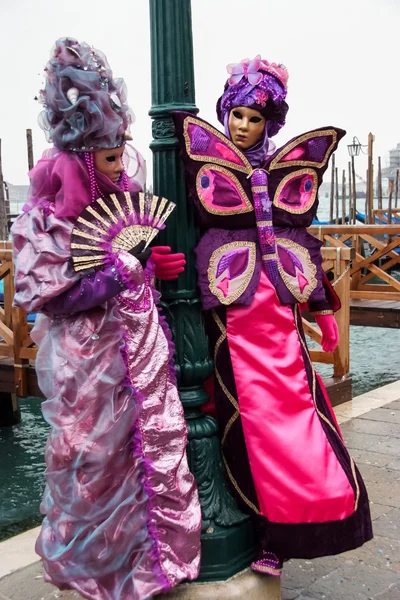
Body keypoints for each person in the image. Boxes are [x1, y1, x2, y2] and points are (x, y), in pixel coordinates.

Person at [11, 38, 201, 600]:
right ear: (81, 160)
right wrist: (113, 276)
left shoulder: (121, 202)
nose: (123, 171)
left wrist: (152, 269)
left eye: (122, 155)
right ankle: (99, 569)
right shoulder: (43, 221)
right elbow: (48, 295)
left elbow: (131, 261)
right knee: (92, 457)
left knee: (145, 451)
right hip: (85, 361)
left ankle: (151, 564)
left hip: (138, 348)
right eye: (111, 159)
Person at [172, 55, 372, 576]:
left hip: (279, 320)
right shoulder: (203, 169)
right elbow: (182, 228)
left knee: (297, 422)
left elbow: (298, 242)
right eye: (235, 116)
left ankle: (299, 528)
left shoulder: (280, 171)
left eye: (253, 118)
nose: (241, 127)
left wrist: (323, 306)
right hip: (229, 316)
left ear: (270, 122)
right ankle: (264, 533)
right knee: (246, 428)